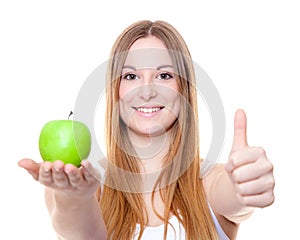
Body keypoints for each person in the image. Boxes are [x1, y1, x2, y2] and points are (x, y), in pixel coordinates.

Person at [18, 20, 275, 240]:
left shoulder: (209, 181)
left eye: (164, 76)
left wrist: (245, 186)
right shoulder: (90, 183)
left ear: (183, 88)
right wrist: (75, 197)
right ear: (116, 90)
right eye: (131, 76)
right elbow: (79, 232)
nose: (148, 90)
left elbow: (233, 198)